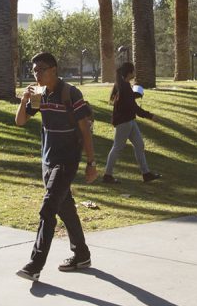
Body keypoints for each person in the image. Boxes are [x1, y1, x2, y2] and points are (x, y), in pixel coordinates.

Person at [13, 51, 98, 281]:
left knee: (48, 208)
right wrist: (24, 101)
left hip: (67, 160)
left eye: (41, 69)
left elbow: (85, 131)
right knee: (65, 207)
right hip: (47, 160)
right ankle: (82, 255)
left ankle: (34, 265)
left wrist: (90, 163)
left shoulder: (70, 93)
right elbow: (20, 121)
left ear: (54, 70)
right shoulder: (40, 94)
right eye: (34, 70)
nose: (36, 73)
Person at [103, 62, 160, 184]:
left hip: (129, 120)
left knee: (139, 145)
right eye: (133, 71)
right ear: (129, 73)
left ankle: (146, 174)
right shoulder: (124, 86)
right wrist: (150, 116)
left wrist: (135, 95)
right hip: (124, 122)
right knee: (117, 147)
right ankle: (107, 175)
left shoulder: (124, 85)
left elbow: (126, 100)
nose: (134, 73)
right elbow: (134, 108)